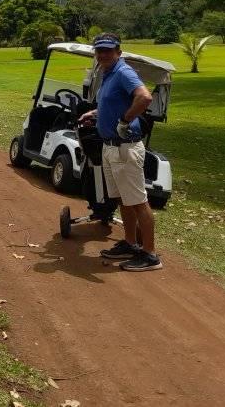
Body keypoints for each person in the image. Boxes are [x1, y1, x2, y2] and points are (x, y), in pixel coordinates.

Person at [78, 32, 162, 272]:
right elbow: (113, 104)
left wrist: (125, 120)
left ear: (118, 52)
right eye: (100, 50)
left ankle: (150, 254)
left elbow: (144, 98)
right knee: (123, 199)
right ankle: (130, 243)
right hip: (111, 147)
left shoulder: (123, 72)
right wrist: (94, 114)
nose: (103, 54)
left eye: (108, 50)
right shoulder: (108, 73)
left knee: (137, 201)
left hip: (125, 148)